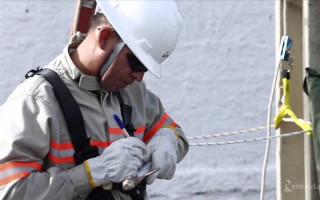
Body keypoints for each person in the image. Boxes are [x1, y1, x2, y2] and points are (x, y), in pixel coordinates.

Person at [0, 1, 189, 200]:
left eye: (145, 69)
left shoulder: (133, 92)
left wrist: (167, 140)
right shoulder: (35, 102)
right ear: (105, 37)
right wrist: (91, 174)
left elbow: (175, 132)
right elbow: (10, 192)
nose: (139, 77)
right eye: (137, 63)